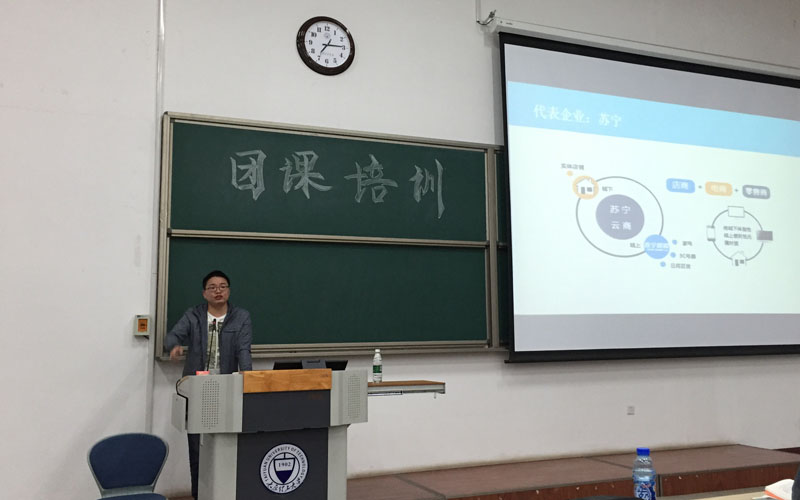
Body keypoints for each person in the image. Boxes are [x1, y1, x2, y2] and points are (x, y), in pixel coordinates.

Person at [164, 269, 252, 500]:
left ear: (228, 291)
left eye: (222, 286)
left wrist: (249, 378)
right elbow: (172, 336)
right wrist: (174, 346)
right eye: (212, 287)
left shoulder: (241, 316)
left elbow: (244, 349)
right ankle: (199, 494)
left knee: (228, 444)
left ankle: (227, 493)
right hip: (197, 390)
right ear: (204, 293)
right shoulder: (193, 315)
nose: (218, 291)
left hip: (227, 389)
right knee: (197, 447)